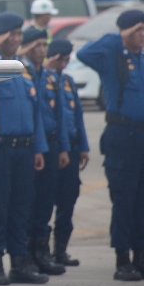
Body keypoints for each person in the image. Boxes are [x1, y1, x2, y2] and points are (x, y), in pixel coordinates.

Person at [77, 10, 144, 281]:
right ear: (126, 32)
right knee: (125, 200)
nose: (143, 34)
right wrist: (119, 36)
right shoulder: (112, 57)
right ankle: (122, 259)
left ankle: (143, 256)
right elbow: (84, 53)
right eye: (137, 30)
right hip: (123, 136)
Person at [0, 12, 49, 285]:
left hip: (24, 150)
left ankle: (20, 263)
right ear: (0, 36)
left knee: (20, 208)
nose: (16, 39)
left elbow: (34, 111)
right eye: (11, 35)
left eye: (19, 34)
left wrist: (38, 147)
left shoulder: (22, 67)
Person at [19, 27, 70, 276]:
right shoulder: (21, 72)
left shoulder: (48, 76)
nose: (42, 50)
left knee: (46, 202)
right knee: (29, 201)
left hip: (50, 144)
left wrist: (63, 148)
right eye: (37, 45)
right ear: (28, 47)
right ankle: (27, 254)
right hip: (32, 146)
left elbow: (59, 115)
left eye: (44, 45)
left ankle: (42, 252)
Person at [44, 39, 90, 267]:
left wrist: (84, 147)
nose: (63, 63)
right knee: (45, 199)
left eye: (66, 59)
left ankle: (60, 250)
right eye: (59, 58)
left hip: (70, 146)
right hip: (52, 147)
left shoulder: (68, 83)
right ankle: (41, 250)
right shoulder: (43, 79)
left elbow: (77, 118)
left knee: (68, 198)